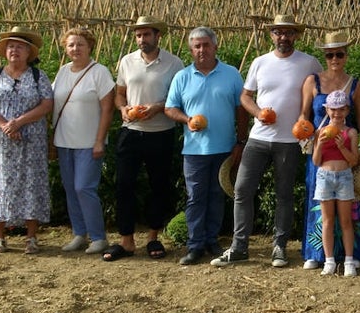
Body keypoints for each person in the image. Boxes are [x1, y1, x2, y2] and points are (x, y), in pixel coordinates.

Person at [213, 14, 321, 268]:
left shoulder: (309, 63)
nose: (283, 37)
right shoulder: (260, 62)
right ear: (271, 35)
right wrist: (257, 112)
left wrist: (309, 124)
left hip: (289, 140)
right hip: (258, 138)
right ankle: (239, 247)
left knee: (284, 194)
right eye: (278, 32)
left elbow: (320, 92)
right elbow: (246, 96)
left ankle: (279, 246)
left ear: (297, 35)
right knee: (242, 190)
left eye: (288, 32)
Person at [105, 16, 184, 261]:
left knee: (158, 186)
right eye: (138, 35)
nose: (142, 40)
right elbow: (119, 94)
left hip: (161, 132)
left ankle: (152, 237)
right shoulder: (127, 61)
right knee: (124, 185)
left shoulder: (174, 63)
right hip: (131, 131)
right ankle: (126, 241)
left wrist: (158, 107)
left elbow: (178, 98)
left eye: (146, 35)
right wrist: (122, 109)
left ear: (158, 36)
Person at [165, 26, 246, 266]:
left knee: (217, 195)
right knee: (195, 197)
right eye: (197, 46)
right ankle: (195, 245)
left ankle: (212, 240)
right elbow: (170, 108)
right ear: (191, 50)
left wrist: (240, 142)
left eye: (206, 45)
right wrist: (186, 120)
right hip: (194, 150)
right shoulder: (182, 77)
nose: (202, 50)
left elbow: (241, 110)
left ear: (215, 47)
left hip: (224, 147)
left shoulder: (231, 74)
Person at [0, 27, 54, 254]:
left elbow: (47, 104)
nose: (14, 50)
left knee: (32, 183)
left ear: (29, 52)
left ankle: (31, 237)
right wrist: (4, 125)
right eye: (10, 46)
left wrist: (19, 122)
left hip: (30, 141)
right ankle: (0, 237)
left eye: (19, 46)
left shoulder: (39, 77)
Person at [298, 30, 360, 269]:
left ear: (346, 56)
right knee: (318, 200)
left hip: (345, 152)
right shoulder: (313, 81)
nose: (335, 59)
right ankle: (317, 253)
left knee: (346, 203)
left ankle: (350, 255)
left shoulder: (355, 85)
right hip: (320, 153)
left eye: (339, 54)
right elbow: (304, 114)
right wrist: (301, 129)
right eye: (330, 55)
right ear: (325, 57)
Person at [52, 26, 115, 257]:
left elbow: (107, 109)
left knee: (84, 187)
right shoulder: (62, 72)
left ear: (90, 46)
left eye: (80, 44)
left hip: (89, 142)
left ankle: (98, 237)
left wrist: (100, 140)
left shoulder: (99, 72)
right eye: (71, 44)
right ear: (65, 48)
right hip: (64, 141)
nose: (75, 48)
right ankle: (79, 233)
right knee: (70, 188)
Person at [311, 89, 360, 277]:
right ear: (327, 110)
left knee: (346, 221)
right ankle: (329, 260)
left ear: (347, 111)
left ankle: (349, 260)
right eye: (333, 109)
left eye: (341, 109)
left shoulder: (351, 132)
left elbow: (354, 160)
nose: (337, 113)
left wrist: (341, 147)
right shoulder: (320, 132)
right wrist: (321, 144)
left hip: (344, 177)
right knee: (327, 221)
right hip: (324, 176)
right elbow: (316, 161)